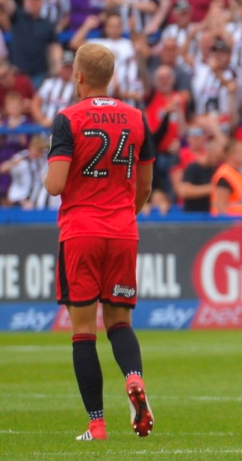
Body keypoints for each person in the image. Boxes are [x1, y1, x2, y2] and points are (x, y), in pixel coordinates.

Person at [42, 43, 155, 441]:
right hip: (123, 230)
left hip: (81, 231)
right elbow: (145, 187)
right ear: (113, 77)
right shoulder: (137, 118)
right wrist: (123, 215)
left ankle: (97, 423)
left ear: (79, 76)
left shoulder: (67, 118)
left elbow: (55, 185)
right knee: (120, 322)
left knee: (83, 331)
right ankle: (135, 379)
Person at [210, 140, 242, 216]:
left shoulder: (238, 174)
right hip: (232, 225)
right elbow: (220, 207)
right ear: (232, 154)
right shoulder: (225, 176)